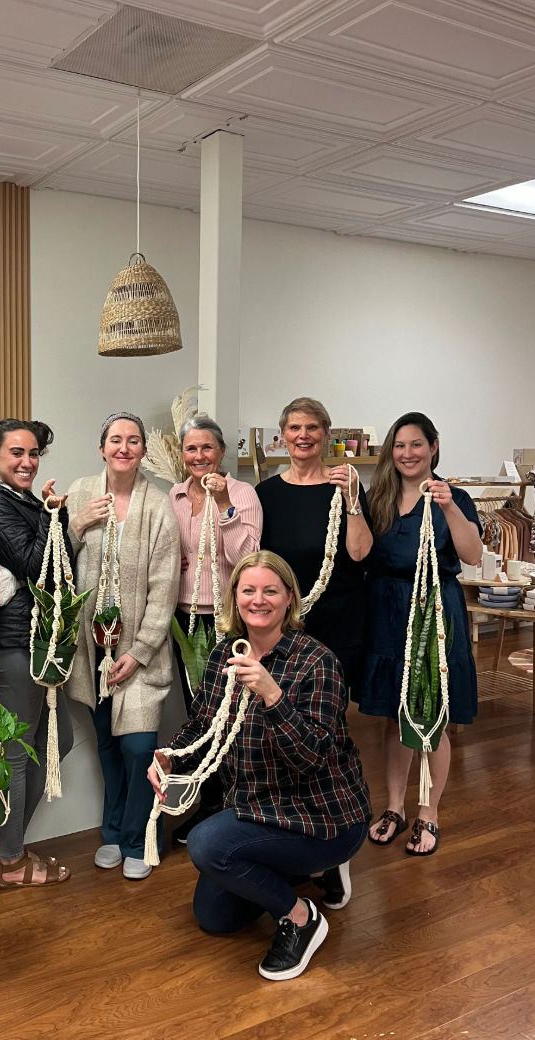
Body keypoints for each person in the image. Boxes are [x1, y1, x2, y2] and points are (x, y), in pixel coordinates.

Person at [150, 551, 371, 980]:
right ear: (236, 597)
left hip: (322, 817)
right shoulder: (223, 656)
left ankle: (303, 916)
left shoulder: (318, 663)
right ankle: (305, 871)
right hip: (258, 811)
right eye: (248, 590)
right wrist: (169, 757)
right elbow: (201, 724)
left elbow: (311, 759)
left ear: (290, 598)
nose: (258, 600)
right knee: (216, 918)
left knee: (207, 843)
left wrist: (272, 695)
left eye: (271, 590)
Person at [361, 412, 481, 856]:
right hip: (387, 609)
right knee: (395, 716)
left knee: (432, 715)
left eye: (416, 445)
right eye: (400, 445)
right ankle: (394, 807)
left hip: (434, 609)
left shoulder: (456, 497)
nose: (407, 453)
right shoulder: (380, 497)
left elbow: (471, 554)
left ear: (433, 446)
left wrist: (448, 505)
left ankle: (429, 813)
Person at [66, 412, 179, 880]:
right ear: (102, 447)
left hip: (140, 656)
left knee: (138, 749)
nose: (125, 448)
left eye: (134, 440)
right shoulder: (80, 492)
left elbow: (165, 585)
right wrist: (75, 524)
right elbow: (55, 559)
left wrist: (140, 650)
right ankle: (112, 832)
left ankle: (138, 837)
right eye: (116, 439)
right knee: (108, 749)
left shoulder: (158, 508)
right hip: (93, 654)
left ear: (143, 451)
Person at [0, 414, 73, 887]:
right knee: (16, 751)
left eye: (33, 453)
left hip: (37, 640)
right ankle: (9, 860)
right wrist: (57, 517)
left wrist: (54, 513)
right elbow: (37, 566)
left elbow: (56, 566)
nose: (28, 461)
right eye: (17, 453)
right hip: (15, 642)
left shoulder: (22, 500)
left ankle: (8, 848)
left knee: (56, 740)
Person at [168, 413, 262, 842]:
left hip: (226, 618)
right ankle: (208, 805)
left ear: (222, 452)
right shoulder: (174, 495)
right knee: (199, 714)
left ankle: (234, 805)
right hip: (185, 617)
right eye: (191, 448)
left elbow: (247, 556)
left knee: (230, 715)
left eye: (207, 448)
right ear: (182, 453)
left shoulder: (242, 493)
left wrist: (224, 506)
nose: (199, 455)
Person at [255, 397, 372, 698]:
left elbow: (360, 554)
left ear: (325, 434)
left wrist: (352, 501)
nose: (303, 435)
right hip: (283, 621)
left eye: (312, 427)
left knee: (330, 707)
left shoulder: (345, 488)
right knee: (281, 704)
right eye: (295, 427)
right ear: (283, 435)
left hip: (338, 621)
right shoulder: (265, 494)